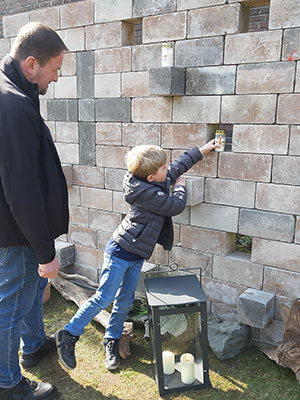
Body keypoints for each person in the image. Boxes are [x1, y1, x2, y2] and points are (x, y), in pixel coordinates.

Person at [55, 139, 217, 372]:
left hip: (135, 255)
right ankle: (69, 334)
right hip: (120, 253)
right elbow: (174, 206)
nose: (168, 169)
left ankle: (111, 340)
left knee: (124, 301)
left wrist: (202, 150)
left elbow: (177, 166)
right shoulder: (146, 193)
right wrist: (180, 187)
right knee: (103, 298)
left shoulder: (150, 179)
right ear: (151, 177)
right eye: (163, 168)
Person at [0, 22, 69, 400]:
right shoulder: (11, 105)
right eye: (54, 69)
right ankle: (8, 383)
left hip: (16, 226)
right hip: (13, 231)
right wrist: (45, 251)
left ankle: (34, 344)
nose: (56, 78)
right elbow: (21, 188)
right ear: (31, 64)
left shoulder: (16, 91)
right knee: (9, 304)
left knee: (28, 290)